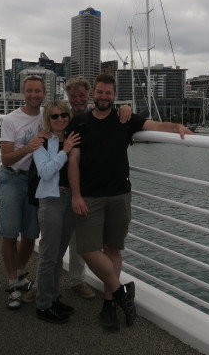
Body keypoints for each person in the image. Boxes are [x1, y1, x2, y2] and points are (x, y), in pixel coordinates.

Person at [68, 73, 193, 329]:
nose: (104, 97)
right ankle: (122, 292)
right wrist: (77, 195)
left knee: (113, 249)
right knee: (87, 248)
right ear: (94, 94)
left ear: (114, 95)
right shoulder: (80, 121)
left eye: (108, 93)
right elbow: (74, 160)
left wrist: (177, 128)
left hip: (119, 195)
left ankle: (110, 304)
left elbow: (154, 126)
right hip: (90, 197)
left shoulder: (124, 119)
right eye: (100, 92)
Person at [63, 77, 131, 300]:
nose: (78, 100)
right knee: (61, 239)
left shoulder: (95, 117)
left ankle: (78, 281)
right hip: (65, 187)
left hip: (89, 191)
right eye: (74, 96)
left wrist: (126, 108)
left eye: (82, 95)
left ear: (89, 95)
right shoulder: (62, 117)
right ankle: (50, 284)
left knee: (85, 243)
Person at [0, 75, 46, 310]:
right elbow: (5, 157)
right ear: (23, 92)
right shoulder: (11, 119)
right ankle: (14, 283)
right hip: (12, 179)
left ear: (44, 93)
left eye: (38, 91)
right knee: (9, 233)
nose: (34, 95)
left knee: (30, 234)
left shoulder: (48, 115)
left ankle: (18, 273)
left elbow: (73, 115)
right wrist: (29, 147)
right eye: (30, 91)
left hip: (35, 182)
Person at [32, 101, 80, 323]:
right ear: (47, 120)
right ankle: (43, 305)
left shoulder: (73, 137)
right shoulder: (41, 142)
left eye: (63, 115)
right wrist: (65, 151)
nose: (60, 119)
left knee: (59, 256)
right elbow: (45, 172)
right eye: (54, 116)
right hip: (51, 200)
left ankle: (52, 297)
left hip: (70, 199)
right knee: (48, 256)